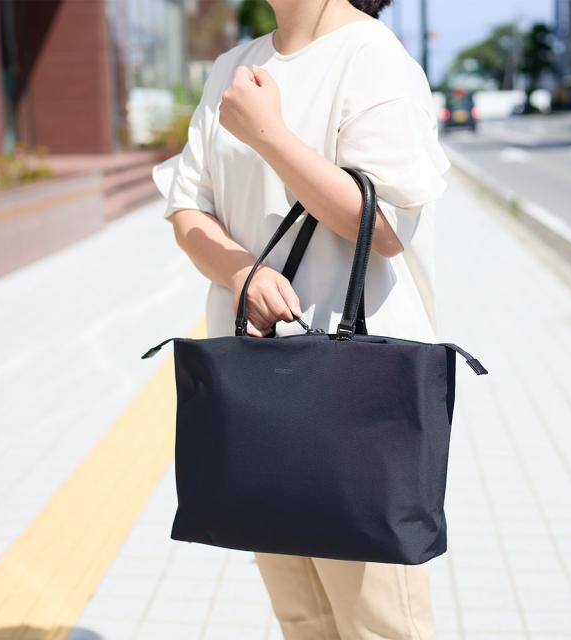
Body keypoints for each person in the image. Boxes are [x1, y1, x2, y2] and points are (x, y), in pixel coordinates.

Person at [152, 0, 450, 637]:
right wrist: (243, 274)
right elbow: (187, 208)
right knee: (302, 619)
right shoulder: (234, 66)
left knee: (381, 626)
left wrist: (268, 134)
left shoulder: (372, 57)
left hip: (356, 397)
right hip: (260, 393)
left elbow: (386, 226)